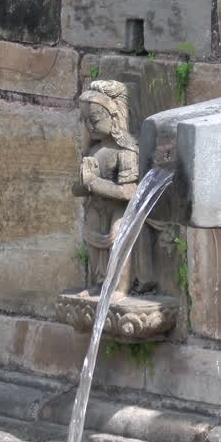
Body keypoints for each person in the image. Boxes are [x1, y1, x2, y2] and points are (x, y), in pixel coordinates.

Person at [73, 80, 139, 297]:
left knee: (117, 235)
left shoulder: (126, 149)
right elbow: (78, 189)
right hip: (96, 206)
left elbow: (128, 192)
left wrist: (93, 183)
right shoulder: (92, 150)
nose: (90, 126)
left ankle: (120, 286)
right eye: (86, 121)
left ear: (114, 118)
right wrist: (82, 184)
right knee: (92, 240)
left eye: (95, 120)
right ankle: (98, 283)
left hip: (118, 209)